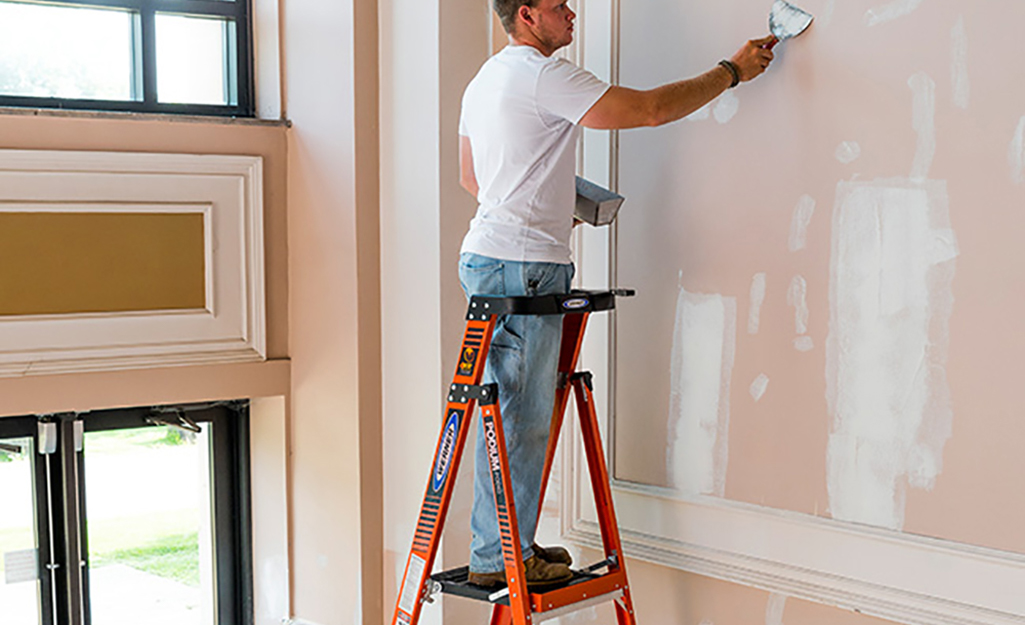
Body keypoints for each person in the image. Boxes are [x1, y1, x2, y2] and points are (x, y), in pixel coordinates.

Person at [457, 0, 774, 589]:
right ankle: (499, 555)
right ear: (527, 14)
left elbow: (474, 180)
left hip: (488, 254)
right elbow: (650, 111)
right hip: (525, 265)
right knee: (520, 416)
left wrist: (550, 202)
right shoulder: (544, 75)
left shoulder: (485, 80)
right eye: (559, 6)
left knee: (510, 409)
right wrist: (731, 71)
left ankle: (505, 543)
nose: (572, 12)